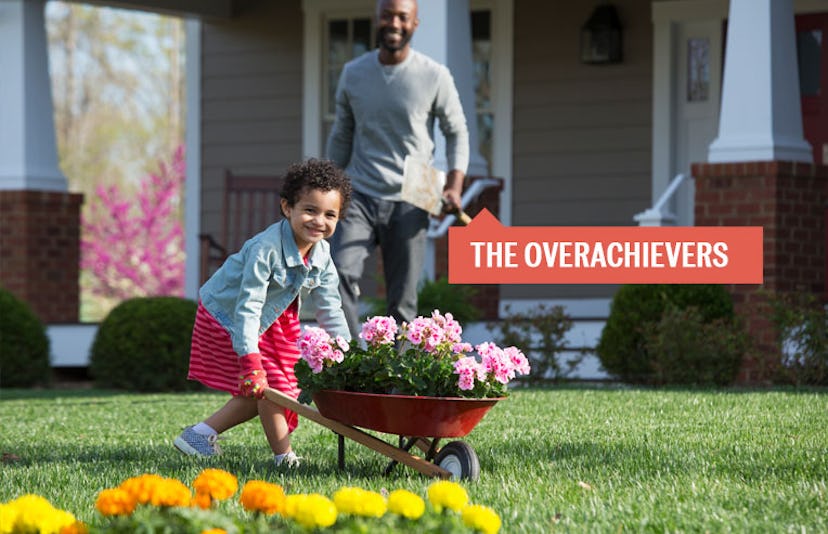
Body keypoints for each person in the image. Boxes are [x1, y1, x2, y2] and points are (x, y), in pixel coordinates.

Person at [174, 159, 352, 467]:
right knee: (271, 386)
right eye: (310, 210)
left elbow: (330, 306)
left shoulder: (321, 253)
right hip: (229, 315)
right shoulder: (266, 249)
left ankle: (199, 435)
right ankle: (284, 457)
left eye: (329, 214)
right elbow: (248, 307)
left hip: (276, 320)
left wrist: (346, 354)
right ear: (287, 208)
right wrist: (250, 361)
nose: (319, 221)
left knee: (273, 388)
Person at [326, 0, 470, 337]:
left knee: (402, 301)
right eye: (387, 15)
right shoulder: (353, 73)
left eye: (402, 17)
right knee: (339, 272)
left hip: (413, 194)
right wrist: (328, 187)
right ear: (376, 20)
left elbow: (457, 131)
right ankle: (348, 362)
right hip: (359, 191)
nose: (394, 23)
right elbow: (342, 133)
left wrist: (454, 186)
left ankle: (394, 382)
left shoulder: (434, 75)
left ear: (415, 23)